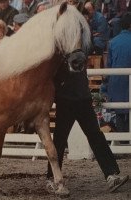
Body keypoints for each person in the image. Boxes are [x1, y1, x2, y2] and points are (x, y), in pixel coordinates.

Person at [46, 49, 129, 193]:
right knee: (61, 139)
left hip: (81, 99)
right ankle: (51, 177)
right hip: (67, 101)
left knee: (94, 136)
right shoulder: (57, 52)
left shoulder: (77, 48)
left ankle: (111, 175)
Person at [104, 12, 131, 132]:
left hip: (116, 86)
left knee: (120, 122)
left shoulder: (112, 42)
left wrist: (105, 88)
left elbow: (108, 68)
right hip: (127, 85)